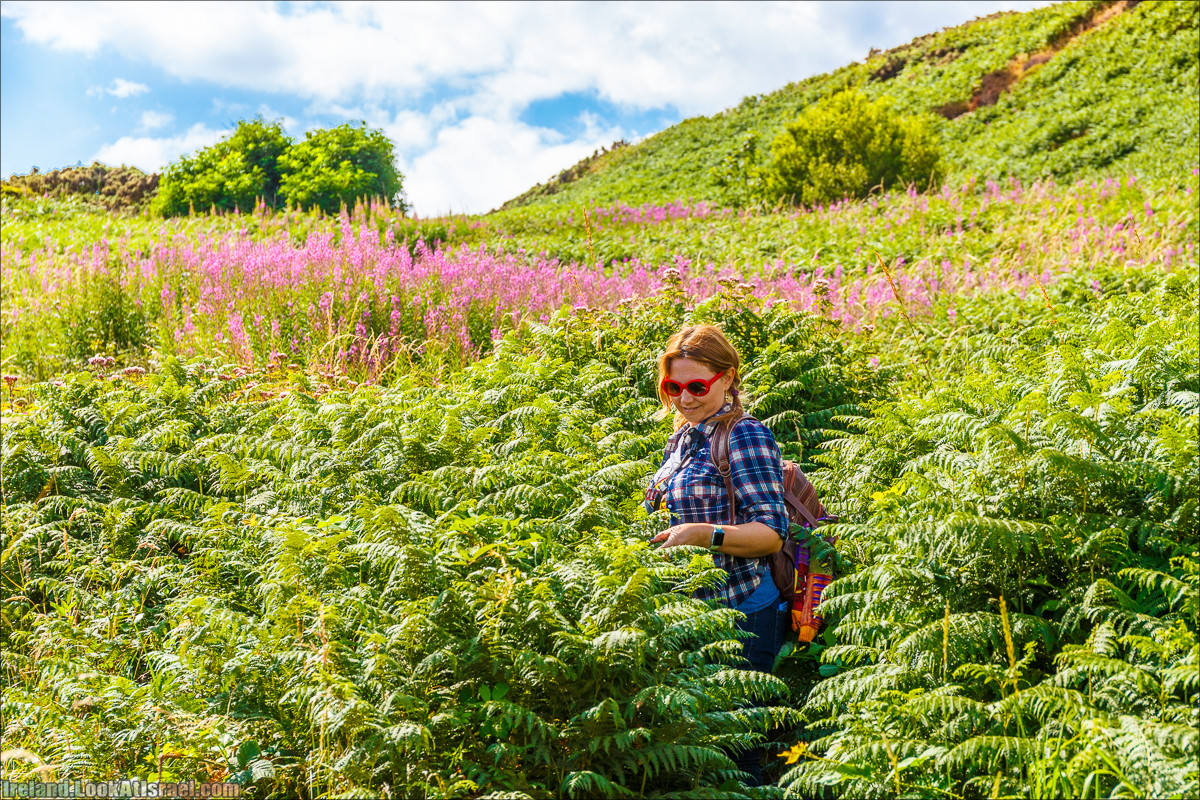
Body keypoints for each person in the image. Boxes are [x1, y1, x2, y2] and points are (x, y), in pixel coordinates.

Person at [643, 323, 790, 786]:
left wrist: (703, 535)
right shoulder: (684, 436)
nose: (684, 399)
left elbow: (771, 533)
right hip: (692, 616)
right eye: (674, 388)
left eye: (697, 387)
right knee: (700, 757)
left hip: (742, 611)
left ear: (726, 379)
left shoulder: (744, 435)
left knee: (738, 758)